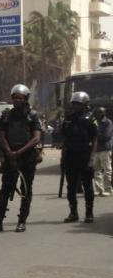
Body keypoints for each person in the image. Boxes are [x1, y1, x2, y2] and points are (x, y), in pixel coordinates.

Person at [0, 85, 42, 233]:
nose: (17, 100)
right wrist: (9, 152)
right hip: (10, 157)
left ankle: (22, 221)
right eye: (15, 98)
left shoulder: (32, 115)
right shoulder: (7, 115)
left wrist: (19, 152)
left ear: (25, 99)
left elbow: (36, 138)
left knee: (26, 189)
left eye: (20, 98)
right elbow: (1, 134)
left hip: (27, 157)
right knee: (5, 189)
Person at [61, 92, 98, 223]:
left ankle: (89, 213)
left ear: (85, 104)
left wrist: (92, 157)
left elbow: (94, 139)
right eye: (74, 103)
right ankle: (73, 212)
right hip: (71, 156)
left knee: (88, 186)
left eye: (79, 104)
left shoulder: (91, 118)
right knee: (71, 187)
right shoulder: (68, 119)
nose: (76, 106)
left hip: (85, 156)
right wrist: (63, 158)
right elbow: (64, 139)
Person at [92, 107, 113, 196]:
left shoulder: (108, 122)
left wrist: (95, 131)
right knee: (96, 170)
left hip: (105, 149)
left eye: (100, 112)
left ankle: (108, 189)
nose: (98, 114)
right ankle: (99, 189)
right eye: (97, 112)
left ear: (104, 113)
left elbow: (106, 136)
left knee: (107, 170)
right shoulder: (95, 122)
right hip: (96, 149)